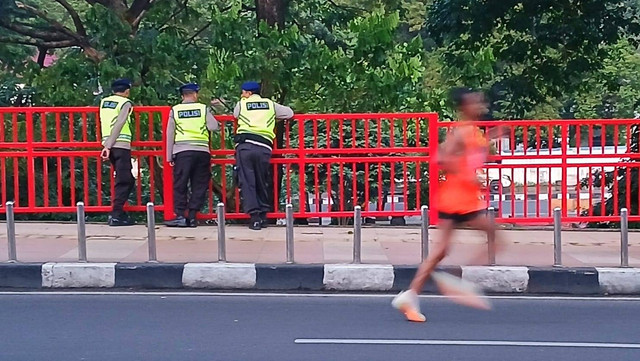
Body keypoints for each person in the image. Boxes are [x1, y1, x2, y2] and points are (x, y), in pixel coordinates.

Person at [391, 87, 503, 322]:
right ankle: (456, 280)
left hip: (462, 197)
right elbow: (440, 159)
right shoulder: (462, 132)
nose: (480, 106)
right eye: (475, 102)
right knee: (495, 236)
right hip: (459, 199)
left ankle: (410, 296)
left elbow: (475, 157)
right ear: (464, 107)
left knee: (441, 251)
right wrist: (466, 175)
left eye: (480, 102)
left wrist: (492, 138)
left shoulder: (473, 132)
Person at [233, 81, 293, 230]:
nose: (242, 95)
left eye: (243, 92)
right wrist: (275, 118)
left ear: (248, 93)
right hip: (264, 148)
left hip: (245, 146)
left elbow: (235, 115)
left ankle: (254, 218)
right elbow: (290, 113)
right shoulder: (270, 104)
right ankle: (264, 215)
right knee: (261, 181)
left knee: (248, 182)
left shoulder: (242, 104)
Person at [164, 83, 219, 227]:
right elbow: (213, 126)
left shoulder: (175, 110)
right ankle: (193, 216)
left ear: (182, 96)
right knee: (199, 184)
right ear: (195, 94)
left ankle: (181, 216)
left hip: (182, 152)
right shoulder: (202, 108)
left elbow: (170, 134)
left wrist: (169, 156)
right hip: (202, 151)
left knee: (180, 183)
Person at [100, 78, 136, 226]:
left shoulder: (104, 102)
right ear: (127, 91)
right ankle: (116, 214)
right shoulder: (125, 103)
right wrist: (108, 146)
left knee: (126, 179)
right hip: (120, 144)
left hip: (108, 142)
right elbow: (120, 122)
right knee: (125, 180)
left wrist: (107, 144)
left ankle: (119, 212)